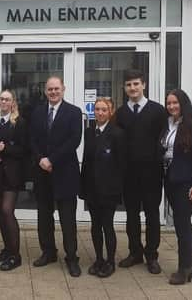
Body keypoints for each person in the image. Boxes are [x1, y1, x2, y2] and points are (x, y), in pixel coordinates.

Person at [115, 69, 166, 274]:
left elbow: (163, 140)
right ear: (124, 88)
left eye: (136, 84)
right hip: (129, 175)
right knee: (132, 215)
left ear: (143, 85)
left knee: (152, 215)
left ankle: (151, 255)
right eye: (129, 85)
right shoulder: (120, 113)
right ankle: (135, 252)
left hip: (152, 174)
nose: (132, 88)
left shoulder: (158, 111)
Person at [30, 76, 82, 277]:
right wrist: (41, 158)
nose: (53, 92)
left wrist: (52, 159)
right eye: (50, 89)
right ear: (45, 91)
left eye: (56, 89)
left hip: (64, 172)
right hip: (42, 173)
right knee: (44, 216)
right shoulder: (37, 112)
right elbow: (32, 139)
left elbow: (74, 140)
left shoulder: (74, 112)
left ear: (63, 89)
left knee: (67, 219)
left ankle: (72, 257)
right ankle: (48, 252)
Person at [162, 89, 192, 285]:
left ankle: (184, 268)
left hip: (186, 183)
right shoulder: (168, 124)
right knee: (181, 224)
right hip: (171, 181)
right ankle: (190, 262)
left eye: (175, 103)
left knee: (182, 225)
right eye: (169, 103)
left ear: (183, 104)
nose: (171, 106)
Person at [79, 97, 126, 278]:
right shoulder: (90, 132)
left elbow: (122, 165)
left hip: (109, 190)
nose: (99, 113)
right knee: (95, 226)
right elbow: (86, 162)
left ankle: (110, 261)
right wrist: (83, 187)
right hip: (92, 188)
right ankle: (98, 258)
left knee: (107, 225)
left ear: (110, 111)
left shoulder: (118, 134)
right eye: (97, 109)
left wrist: (116, 189)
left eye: (103, 110)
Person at [0, 89, 29, 271]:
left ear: (12, 103)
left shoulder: (19, 122)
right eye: (1, 99)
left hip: (12, 174)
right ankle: (7, 248)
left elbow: (24, 150)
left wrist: (5, 150)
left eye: (7, 99)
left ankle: (15, 255)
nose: (4, 102)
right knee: (1, 213)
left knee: (7, 210)